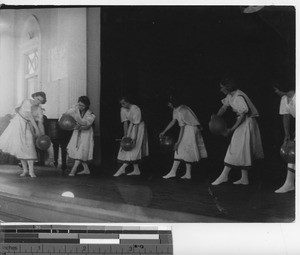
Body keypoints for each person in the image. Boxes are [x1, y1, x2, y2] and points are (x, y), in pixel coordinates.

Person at [211, 77, 264, 185]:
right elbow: (223, 108)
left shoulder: (239, 96)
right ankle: (244, 179)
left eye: (222, 87)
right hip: (242, 121)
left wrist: (232, 129)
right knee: (242, 149)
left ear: (228, 87)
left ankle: (224, 176)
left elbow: (243, 115)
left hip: (247, 122)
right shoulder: (230, 96)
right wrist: (216, 117)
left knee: (235, 147)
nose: (221, 89)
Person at [159, 96, 207, 179]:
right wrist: (164, 131)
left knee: (180, 148)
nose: (168, 105)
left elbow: (182, 127)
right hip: (188, 127)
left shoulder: (182, 111)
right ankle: (188, 174)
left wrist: (178, 142)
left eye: (169, 104)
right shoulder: (176, 109)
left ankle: (173, 172)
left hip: (191, 129)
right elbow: (173, 121)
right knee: (185, 150)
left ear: (172, 103)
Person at [0, 91, 47, 177]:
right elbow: (29, 116)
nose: (38, 102)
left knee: (30, 146)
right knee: (21, 147)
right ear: (35, 96)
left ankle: (31, 171)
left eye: (40, 101)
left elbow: (40, 123)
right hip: (18, 124)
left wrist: (42, 135)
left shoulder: (39, 109)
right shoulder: (27, 102)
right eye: (37, 99)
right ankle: (25, 170)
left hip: (28, 125)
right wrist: (36, 130)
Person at [113, 96, 149, 176]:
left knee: (133, 147)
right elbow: (125, 123)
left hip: (139, 128)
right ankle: (136, 170)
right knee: (126, 146)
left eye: (124, 103)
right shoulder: (123, 109)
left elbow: (137, 124)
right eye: (121, 104)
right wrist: (126, 136)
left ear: (128, 102)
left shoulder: (136, 109)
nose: (123, 105)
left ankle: (122, 169)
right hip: (131, 126)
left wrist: (134, 139)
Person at [65, 96, 95, 176]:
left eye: (83, 106)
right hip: (77, 132)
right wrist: (74, 108)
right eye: (79, 105)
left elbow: (87, 126)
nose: (80, 107)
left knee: (81, 150)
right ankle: (86, 170)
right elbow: (66, 114)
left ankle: (73, 170)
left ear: (87, 106)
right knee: (78, 150)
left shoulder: (90, 114)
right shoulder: (76, 110)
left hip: (86, 133)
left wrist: (80, 127)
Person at [274, 87, 295, 193]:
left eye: (277, 90)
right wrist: (287, 134)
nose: (276, 92)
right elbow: (286, 116)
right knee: (292, 151)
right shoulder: (284, 99)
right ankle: (289, 183)